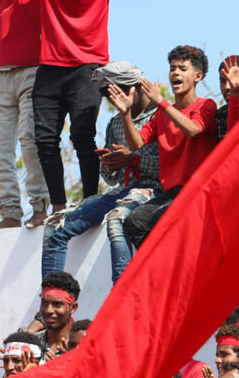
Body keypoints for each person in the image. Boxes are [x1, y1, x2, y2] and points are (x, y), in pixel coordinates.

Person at [42, 62, 162, 282]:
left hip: (153, 192)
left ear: (136, 87)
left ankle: (120, 293)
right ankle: (52, 293)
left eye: (120, 94)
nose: (116, 101)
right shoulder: (115, 123)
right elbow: (110, 179)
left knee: (116, 220)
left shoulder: (161, 115)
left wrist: (134, 160)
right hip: (123, 191)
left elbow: (170, 167)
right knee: (55, 224)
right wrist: (108, 163)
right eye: (110, 97)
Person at [116, 47, 218, 252]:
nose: (175, 73)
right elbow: (136, 143)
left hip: (198, 190)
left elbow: (193, 129)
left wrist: (160, 102)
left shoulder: (205, 105)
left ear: (198, 76)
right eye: (172, 69)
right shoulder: (162, 114)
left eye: (182, 68)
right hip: (171, 193)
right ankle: (160, 267)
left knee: (162, 220)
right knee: (135, 221)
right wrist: (125, 114)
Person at [32, 0, 118, 219]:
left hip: (87, 67)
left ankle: (90, 202)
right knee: (45, 140)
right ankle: (58, 205)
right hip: (50, 67)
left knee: (83, 136)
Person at [0, 0, 48, 228]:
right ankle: (10, 213)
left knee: (29, 138)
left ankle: (40, 206)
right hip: (2, 70)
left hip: (34, 65)